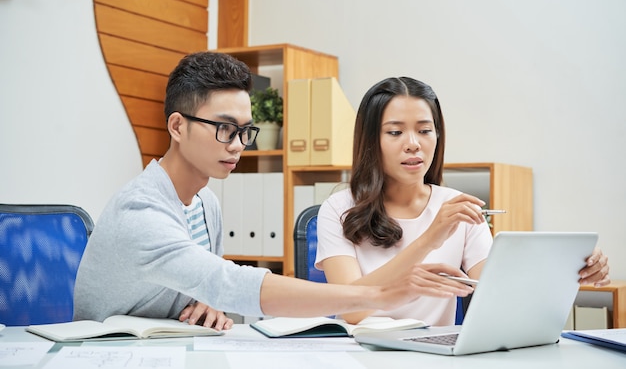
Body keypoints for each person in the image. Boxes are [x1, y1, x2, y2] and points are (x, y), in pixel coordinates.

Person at [73, 53, 475, 330]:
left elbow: (202, 284)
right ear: (177, 127)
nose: (238, 145)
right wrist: (382, 294)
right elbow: (228, 282)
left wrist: (208, 303)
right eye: (224, 129)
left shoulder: (204, 202)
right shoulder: (140, 211)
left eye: (245, 132)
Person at [315, 77, 610, 327]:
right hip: (357, 356)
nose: (413, 143)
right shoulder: (339, 209)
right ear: (370, 140)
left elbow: (502, 294)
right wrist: (430, 239)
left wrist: (573, 268)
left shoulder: (458, 207)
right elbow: (352, 308)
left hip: (432, 354)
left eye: (424, 130)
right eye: (395, 132)